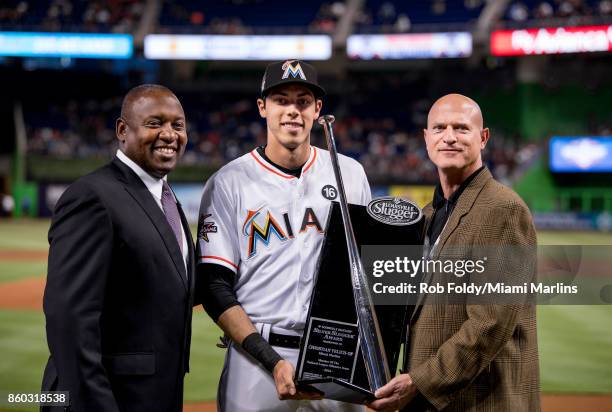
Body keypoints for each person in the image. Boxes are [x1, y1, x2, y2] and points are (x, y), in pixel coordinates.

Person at [196, 60, 370, 411]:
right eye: (281, 100)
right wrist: (271, 360)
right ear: (263, 107)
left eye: (303, 101)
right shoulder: (228, 181)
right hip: (257, 357)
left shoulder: (349, 173)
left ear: (318, 110)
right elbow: (214, 288)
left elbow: (365, 275)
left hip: (333, 355)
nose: (293, 111)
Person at [368, 94, 540, 411]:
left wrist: (419, 381)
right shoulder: (428, 215)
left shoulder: (503, 209)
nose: (449, 137)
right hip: (431, 401)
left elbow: (490, 324)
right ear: (426, 137)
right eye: (439, 128)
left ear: (483, 137)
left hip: (481, 402)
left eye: (461, 128)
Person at [41, 84, 195, 412]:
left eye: (178, 125)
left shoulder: (164, 198)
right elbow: (69, 320)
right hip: (106, 398)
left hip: (152, 397)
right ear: (122, 130)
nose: (170, 134)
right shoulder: (93, 197)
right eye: (155, 123)